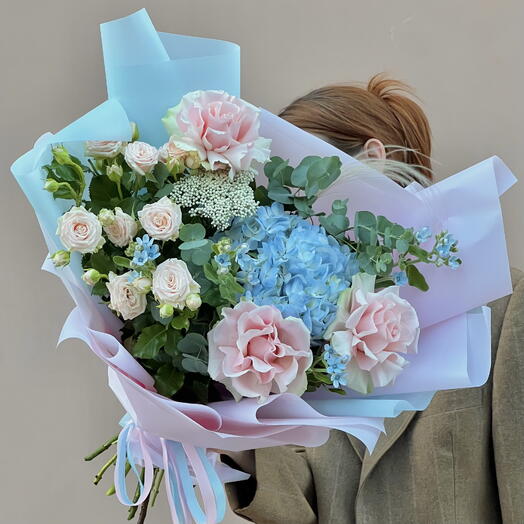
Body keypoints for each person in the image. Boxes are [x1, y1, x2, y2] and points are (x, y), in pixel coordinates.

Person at [224, 74, 524, 524]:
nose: (290, 213)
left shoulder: (502, 307)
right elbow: (302, 503)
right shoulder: (303, 329)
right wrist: (216, 427)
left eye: (298, 183)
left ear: (372, 160)